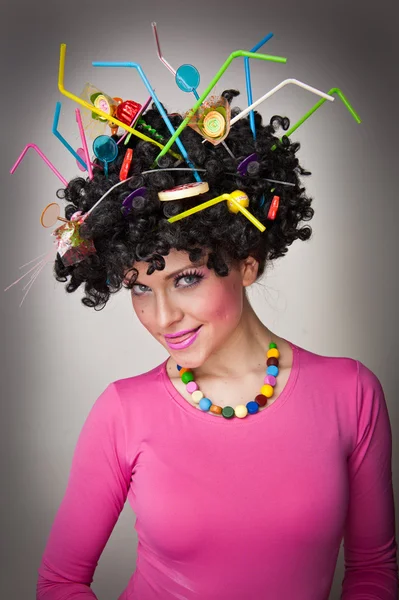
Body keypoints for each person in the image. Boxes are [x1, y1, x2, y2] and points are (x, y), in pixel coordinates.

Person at [36, 91, 399, 599]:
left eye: (187, 279)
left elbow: (374, 571)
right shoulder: (122, 411)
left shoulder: (351, 394)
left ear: (247, 260)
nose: (163, 318)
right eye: (140, 286)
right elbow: (61, 582)